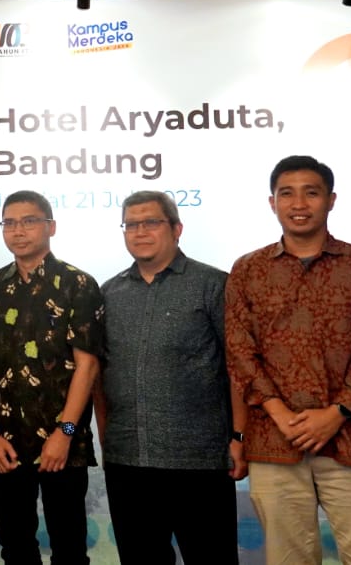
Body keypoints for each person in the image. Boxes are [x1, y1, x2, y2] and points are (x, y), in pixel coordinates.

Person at [226, 155, 351, 564]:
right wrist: (279, 412)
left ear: (331, 200)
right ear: (273, 203)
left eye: (311, 193)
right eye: (287, 194)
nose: (299, 203)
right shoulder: (248, 270)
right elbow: (240, 351)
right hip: (275, 442)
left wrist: (337, 413)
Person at [95, 190, 244, 565]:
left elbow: (239, 367)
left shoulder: (213, 285)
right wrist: (106, 435)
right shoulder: (108, 293)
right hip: (128, 461)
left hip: (200, 462)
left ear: (177, 229)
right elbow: (98, 374)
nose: (140, 231)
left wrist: (240, 436)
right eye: (131, 224)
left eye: (151, 222)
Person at [0, 189, 103, 565]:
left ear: (51, 227)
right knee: (16, 550)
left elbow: (87, 367)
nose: (18, 230)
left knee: (69, 550)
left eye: (29, 221)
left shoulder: (78, 285)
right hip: (4, 446)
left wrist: (64, 433)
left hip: (63, 445)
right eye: (9, 223)